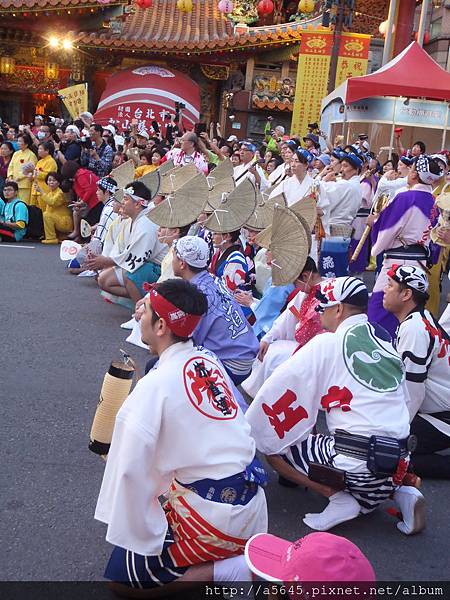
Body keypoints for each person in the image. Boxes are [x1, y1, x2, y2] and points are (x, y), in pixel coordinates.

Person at [95, 279, 267, 594]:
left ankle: (225, 570)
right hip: (251, 502)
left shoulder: (155, 385)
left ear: (161, 325)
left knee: (123, 577)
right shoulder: (207, 360)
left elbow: (130, 472)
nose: (138, 313)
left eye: (144, 308)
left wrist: (139, 526)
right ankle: (226, 555)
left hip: (218, 518)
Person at [246, 276, 425, 536]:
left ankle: (339, 498)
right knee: (358, 446)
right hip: (398, 459)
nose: (319, 314)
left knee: (275, 447)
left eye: (323, 307)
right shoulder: (384, 338)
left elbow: (276, 392)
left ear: (339, 309)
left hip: (358, 462)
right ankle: (401, 492)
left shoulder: (327, 342)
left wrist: (246, 432)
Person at [383, 265, 450, 479]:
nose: (385, 289)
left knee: (387, 453)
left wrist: (397, 429)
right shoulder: (418, 319)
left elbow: (414, 392)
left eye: (390, 285)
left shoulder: (415, 329)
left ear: (406, 294)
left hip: (442, 417)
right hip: (436, 409)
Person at [367, 155, 443, 338]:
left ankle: (379, 351)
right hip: (420, 265)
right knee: (409, 311)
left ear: (415, 173)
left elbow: (388, 230)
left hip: (397, 264)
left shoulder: (406, 198)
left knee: (380, 309)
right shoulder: (436, 204)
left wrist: (374, 223)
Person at [172, 236, 260, 386]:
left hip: (230, 362)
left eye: (173, 256)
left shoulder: (197, 294)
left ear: (182, 263)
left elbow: (189, 338)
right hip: (245, 354)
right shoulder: (211, 279)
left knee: (165, 368)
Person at [242, 257, 323, 399]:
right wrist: (267, 338)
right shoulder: (305, 293)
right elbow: (285, 318)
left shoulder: (329, 293)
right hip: (301, 342)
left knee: (274, 357)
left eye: (294, 282)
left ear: (305, 276)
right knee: (270, 350)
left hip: (319, 349)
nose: (295, 287)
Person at [86, 181, 167, 303]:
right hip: (144, 264)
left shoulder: (146, 224)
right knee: (103, 279)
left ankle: (144, 308)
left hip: (158, 269)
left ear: (137, 204)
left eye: (126, 199)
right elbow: (124, 249)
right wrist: (101, 261)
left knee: (131, 274)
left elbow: (137, 258)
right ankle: (146, 301)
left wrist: (105, 261)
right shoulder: (134, 220)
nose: (121, 203)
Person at [317, 152, 363, 277]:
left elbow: (320, 193)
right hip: (343, 233)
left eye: (346, 166)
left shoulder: (346, 185)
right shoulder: (356, 186)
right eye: (341, 165)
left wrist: (323, 179)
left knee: (329, 273)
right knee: (339, 269)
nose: (342, 170)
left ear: (356, 169)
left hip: (334, 233)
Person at [33, 172, 73, 244]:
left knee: (46, 215)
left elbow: (52, 202)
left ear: (58, 183)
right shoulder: (50, 193)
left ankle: (51, 238)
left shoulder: (60, 192)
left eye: (54, 180)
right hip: (59, 220)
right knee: (46, 213)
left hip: (65, 222)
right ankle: (59, 236)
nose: (51, 182)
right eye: (49, 180)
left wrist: (41, 192)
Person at [6, 133, 37, 204]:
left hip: (24, 185)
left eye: (20, 141)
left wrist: (18, 177)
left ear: (26, 144)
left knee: (23, 204)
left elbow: (31, 170)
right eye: (17, 141)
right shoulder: (16, 153)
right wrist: (10, 176)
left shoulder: (31, 155)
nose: (18, 143)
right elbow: (11, 166)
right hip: (13, 184)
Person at [30, 141, 57, 210]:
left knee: (43, 211)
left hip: (44, 190)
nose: (38, 151)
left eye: (40, 149)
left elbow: (49, 176)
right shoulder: (39, 161)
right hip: (35, 190)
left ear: (47, 151)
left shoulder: (51, 161)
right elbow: (35, 175)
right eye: (38, 149)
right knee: (33, 211)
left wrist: (36, 172)